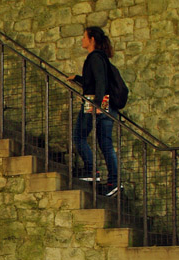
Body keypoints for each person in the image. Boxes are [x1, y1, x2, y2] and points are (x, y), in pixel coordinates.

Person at [67, 26, 121, 197]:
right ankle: (113, 181)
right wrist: (78, 79)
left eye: (84, 37)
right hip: (105, 103)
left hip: (95, 102)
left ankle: (92, 171)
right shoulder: (101, 58)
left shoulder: (94, 57)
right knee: (105, 143)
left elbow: (100, 81)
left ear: (92, 40)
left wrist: (97, 105)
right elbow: (95, 81)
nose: (82, 40)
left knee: (78, 136)